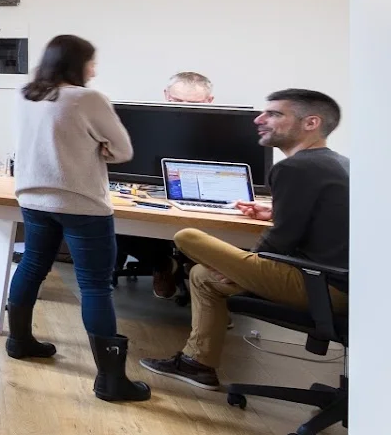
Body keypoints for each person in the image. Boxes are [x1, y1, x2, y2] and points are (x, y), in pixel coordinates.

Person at [140, 89, 348, 390]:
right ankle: (197, 364)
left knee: (187, 236)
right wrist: (274, 211)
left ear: (311, 123)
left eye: (274, 114)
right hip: (341, 283)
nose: (259, 119)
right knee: (202, 276)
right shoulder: (337, 163)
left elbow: (281, 239)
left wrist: (240, 268)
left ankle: (197, 362)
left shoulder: (295, 167)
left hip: (323, 286)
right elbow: (317, 220)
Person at [5, 34, 151, 402]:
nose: (94, 70)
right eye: (91, 62)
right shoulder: (87, 98)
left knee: (32, 265)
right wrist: (98, 148)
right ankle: (111, 381)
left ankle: (19, 341)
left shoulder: (26, 95)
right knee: (95, 285)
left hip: (34, 198)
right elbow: (123, 150)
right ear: (77, 64)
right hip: (81, 203)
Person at [118, 69, 219, 296]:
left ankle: (198, 269)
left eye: (194, 104)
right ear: (166, 95)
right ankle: (162, 264)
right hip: (150, 194)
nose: (183, 109)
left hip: (203, 198)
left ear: (209, 100)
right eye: (177, 101)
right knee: (113, 223)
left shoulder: (223, 129)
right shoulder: (144, 124)